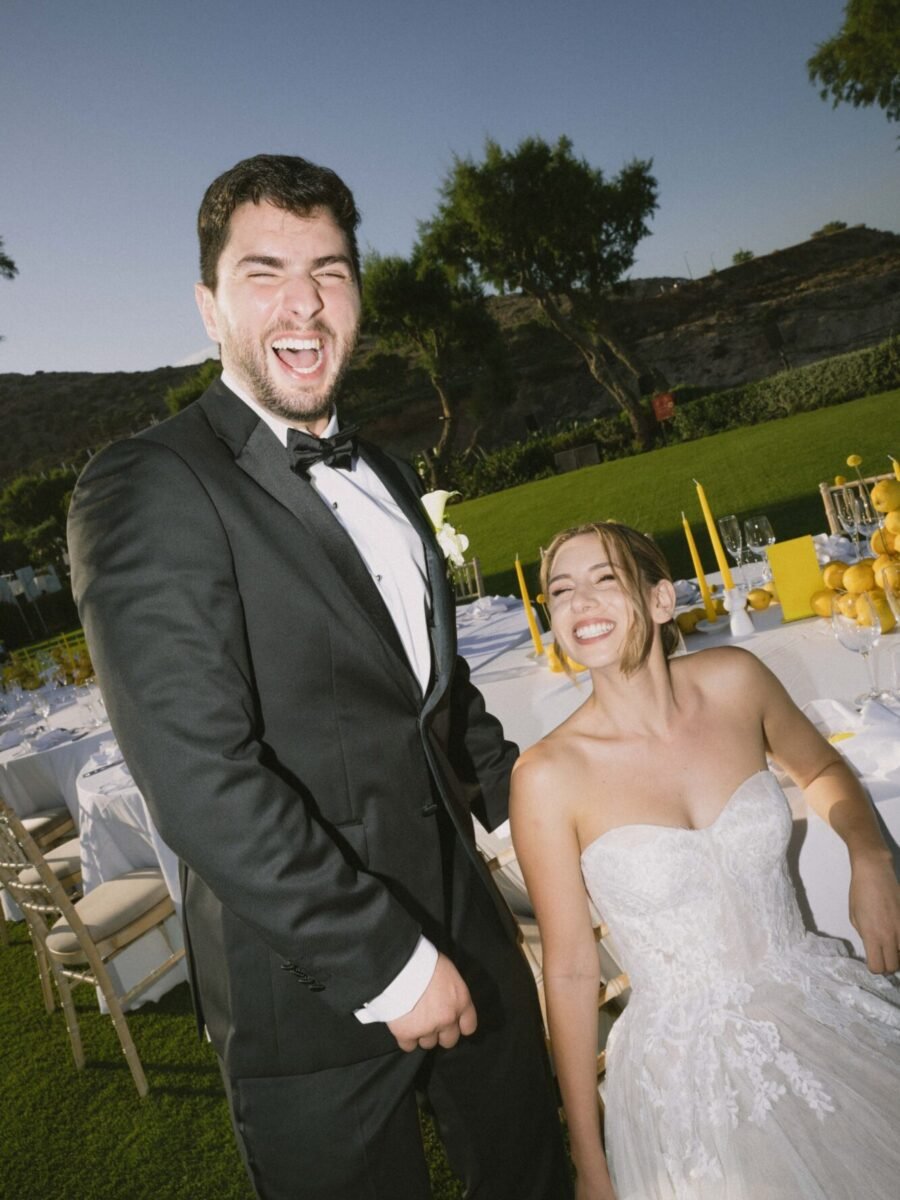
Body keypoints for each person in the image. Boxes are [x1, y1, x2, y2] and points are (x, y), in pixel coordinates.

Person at [67, 154, 571, 1200]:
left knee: (530, 1172)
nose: (303, 301)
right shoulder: (150, 482)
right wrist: (387, 963)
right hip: (306, 996)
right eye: (265, 272)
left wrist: (546, 821)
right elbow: (199, 775)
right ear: (209, 307)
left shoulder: (383, 468)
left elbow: (436, 703)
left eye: (330, 271)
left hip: (469, 930)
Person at [510, 521, 900, 1200]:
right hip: (687, 1075)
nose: (579, 605)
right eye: (560, 591)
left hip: (810, 999)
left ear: (662, 600)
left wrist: (868, 855)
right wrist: (588, 1153)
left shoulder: (736, 680)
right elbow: (571, 970)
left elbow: (822, 768)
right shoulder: (547, 776)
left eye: (605, 579)